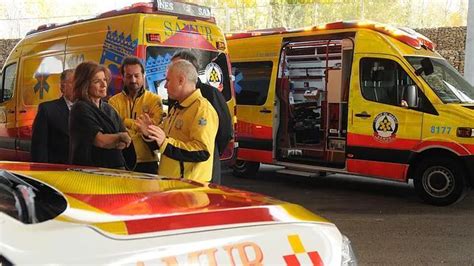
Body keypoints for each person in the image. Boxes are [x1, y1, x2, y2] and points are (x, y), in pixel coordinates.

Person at [136, 60, 218, 182]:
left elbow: (202, 151)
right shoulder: (177, 108)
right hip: (171, 183)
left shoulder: (202, 109)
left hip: (188, 188)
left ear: (181, 80)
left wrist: (164, 142)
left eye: (168, 80)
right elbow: (162, 144)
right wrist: (149, 133)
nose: (165, 85)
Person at [169, 50, 233, 184]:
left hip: (202, 171)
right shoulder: (177, 97)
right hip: (179, 170)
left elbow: (225, 131)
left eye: (177, 66)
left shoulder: (210, 94)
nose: (170, 71)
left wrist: (212, 153)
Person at [69, 61, 131, 169]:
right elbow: (100, 141)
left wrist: (120, 139)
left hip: (115, 170)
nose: (104, 85)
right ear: (84, 84)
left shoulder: (109, 108)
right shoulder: (80, 108)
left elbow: (125, 139)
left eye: (105, 80)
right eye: (97, 81)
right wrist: (119, 138)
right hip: (91, 173)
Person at [109, 56, 163, 174]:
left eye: (136, 76)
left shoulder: (154, 100)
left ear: (143, 76)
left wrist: (125, 121)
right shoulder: (113, 101)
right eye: (128, 76)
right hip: (121, 160)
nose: (133, 80)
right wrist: (139, 126)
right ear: (123, 77)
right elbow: (113, 128)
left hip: (148, 161)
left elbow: (153, 129)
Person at [31, 69, 74, 164]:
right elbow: (39, 148)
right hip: (57, 172)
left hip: (86, 173)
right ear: (62, 87)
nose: (79, 87)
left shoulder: (90, 110)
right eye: (74, 83)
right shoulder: (47, 110)